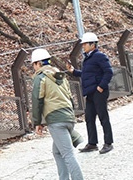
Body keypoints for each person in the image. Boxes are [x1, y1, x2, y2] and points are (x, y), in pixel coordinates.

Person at [31, 48, 84, 180]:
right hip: (68, 116)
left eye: (33, 64)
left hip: (56, 120)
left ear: (38, 63)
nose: (33, 68)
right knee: (57, 152)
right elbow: (69, 97)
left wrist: (37, 123)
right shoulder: (59, 74)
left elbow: (37, 100)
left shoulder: (41, 77)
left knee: (67, 154)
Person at [67, 32, 114, 154]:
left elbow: (108, 71)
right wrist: (73, 71)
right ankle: (92, 143)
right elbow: (86, 74)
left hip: (98, 91)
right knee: (89, 117)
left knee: (103, 116)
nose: (83, 46)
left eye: (85, 44)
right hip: (90, 92)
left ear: (93, 44)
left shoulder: (99, 56)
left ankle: (108, 143)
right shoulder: (87, 59)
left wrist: (101, 86)